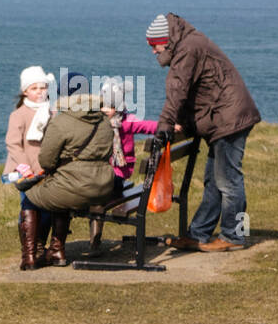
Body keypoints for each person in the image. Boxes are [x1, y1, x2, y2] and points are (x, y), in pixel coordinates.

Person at [145, 13, 261, 251]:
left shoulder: (188, 48)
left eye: (154, 45)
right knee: (214, 180)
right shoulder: (190, 43)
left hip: (229, 119)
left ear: (166, 39)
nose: (153, 52)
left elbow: (178, 90)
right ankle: (199, 234)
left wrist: (166, 125)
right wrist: (183, 122)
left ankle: (233, 236)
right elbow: (197, 91)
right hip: (225, 116)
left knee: (228, 181)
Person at [19, 88, 117, 266]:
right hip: (103, 187)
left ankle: (30, 256)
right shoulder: (103, 120)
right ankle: (56, 250)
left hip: (75, 189)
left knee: (29, 198)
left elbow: (46, 161)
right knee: (61, 189)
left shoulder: (61, 122)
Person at [87, 79, 162, 253]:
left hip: (118, 174)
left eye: (110, 106)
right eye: (103, 106)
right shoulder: (97, 123)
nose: (105, 110)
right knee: (96, 191)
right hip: (107, 175)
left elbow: (149, 126)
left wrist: (168, 126)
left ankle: (94, 243)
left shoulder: (126, 122)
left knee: (97, 198)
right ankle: (94, 242)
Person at [5, 66, 56, 270]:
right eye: (34, 88)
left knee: (46, 210)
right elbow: (13, 143)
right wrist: (25, 166)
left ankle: (39, 245)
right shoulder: (19, 115)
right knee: (28, 208)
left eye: (43, 87)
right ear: (25, 91)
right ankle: (28, 251)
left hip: (46, 169)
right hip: (25, 170)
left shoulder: (51, 112)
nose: (40, 91)